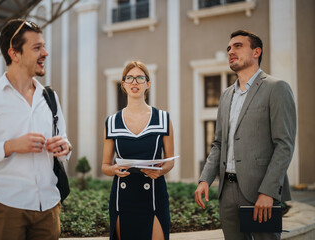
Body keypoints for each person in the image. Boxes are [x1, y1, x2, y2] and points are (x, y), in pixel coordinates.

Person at [0, 19, 72, 240]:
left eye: (44, 46)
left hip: (48, 208)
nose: (45, 53)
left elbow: (64, 142)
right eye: (37, 47)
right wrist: (10, 147)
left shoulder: (50, 97)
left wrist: (65, 147)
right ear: (14, 53)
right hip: (5, 208)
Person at [194, 30, 296, 240]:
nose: (231, 51)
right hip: (227, 192)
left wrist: (268, 191)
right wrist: (205, 179)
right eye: (229, 48)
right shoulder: (225, 95)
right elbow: (218, 143)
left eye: (238, 46)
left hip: (260, 191)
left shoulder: (276, 88)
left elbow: (284, 144)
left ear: (256, 51)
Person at [102, 61, 175, 240]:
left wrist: (161, 170)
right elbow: (105, 165)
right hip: (123, 197)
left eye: (140, 78)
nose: (135, 82)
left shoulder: (163, 119)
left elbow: (170, 159)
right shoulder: (111, 122)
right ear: (124, 84)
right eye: (130, 78)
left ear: (148, 84)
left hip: (154, 194)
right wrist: (114, 170)